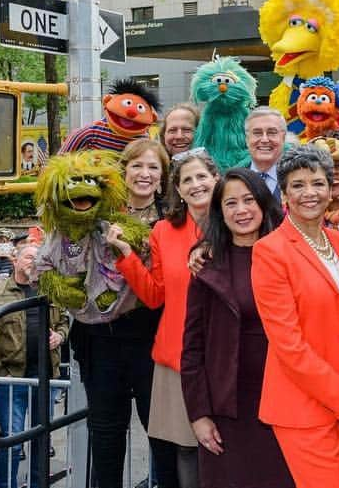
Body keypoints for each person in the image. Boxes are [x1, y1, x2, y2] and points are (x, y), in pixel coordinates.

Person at [251, 145, 339, 487]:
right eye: (298, 184)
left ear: (330, 187)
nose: (310, 192)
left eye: (318, 183)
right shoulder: (270, 252)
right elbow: (289, 346)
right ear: (285, 195)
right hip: (303, 409)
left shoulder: (338, 242)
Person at [110, 147, 218, 488]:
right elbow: (156, 294)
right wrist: (127, 257)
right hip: (177, 359)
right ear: (178, 189)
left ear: (217, 179)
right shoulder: (163, 231)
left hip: (226, 355)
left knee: (228, 449)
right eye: (187, 180)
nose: (196, 184)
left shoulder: (237, 222)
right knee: (185, 449)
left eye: (202, 176)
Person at [181, 168, 294, 488]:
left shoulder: (290, 256)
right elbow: (192, 347)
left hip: (283, 404)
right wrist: (199, 414)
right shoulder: (207, 265)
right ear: (219, 211)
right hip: (227, 409)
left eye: (248, 200)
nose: (241, 210)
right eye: (231, 203)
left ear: (263, 203)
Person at [0, 243, 69, 488]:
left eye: (39, 258)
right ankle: (7, 485)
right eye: (29, 257)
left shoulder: (52, 291)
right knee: (12, 439)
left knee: (42, 438)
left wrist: (59, 336)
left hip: (46, 377)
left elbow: (65, 322)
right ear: (15, 259)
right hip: (12, 379)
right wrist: (0, 371)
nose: (33, 261)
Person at [121, 139, 169, 226]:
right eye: (137, 166)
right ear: (124, 171)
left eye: (153, 167)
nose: (145, 174)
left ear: (162, 175)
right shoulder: (106, 210)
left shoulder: (172, 215)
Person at [245, 106, 287, 201]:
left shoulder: (295, 178)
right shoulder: (233, 181)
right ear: (247, 140)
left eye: (272, 132)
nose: (264, 139)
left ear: (283, 138)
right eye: (257, 133)